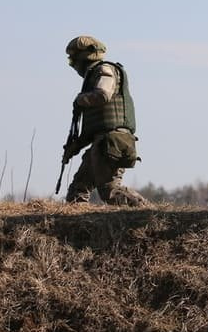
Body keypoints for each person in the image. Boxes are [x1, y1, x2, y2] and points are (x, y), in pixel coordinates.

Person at [62, 36, 147, 207]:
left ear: (84, 58)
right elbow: (95, 127)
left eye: (74, 61)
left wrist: (81, 99)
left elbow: (103, 94)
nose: (74, 67)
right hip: (102, 143)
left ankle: (147, 211)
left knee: (110, 191)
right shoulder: (93, 77)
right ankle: (80, 222)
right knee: (78, 191)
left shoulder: (104, 70)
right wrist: (75, 146)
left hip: (111, 143)